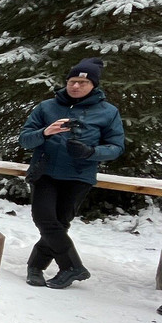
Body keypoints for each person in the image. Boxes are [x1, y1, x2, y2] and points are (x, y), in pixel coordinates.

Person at [19, 57, 124, 289]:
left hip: (78, 176)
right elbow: (24, 139)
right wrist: (44, 133)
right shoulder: (47, 107)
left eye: (82, 83)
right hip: (44, 172)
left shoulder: (108, 112)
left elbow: (116, 148)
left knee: (60, 223)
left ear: (94, 85)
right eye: (72, 81)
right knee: (45, 219)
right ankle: (72, 267)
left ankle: (35, 267)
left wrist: (90, 151)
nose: (76, 86)